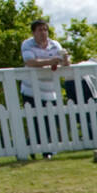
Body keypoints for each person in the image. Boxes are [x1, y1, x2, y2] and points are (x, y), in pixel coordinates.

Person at [20, 19, 68, 159]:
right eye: (40, 30)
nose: (43, 33)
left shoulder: (55, 45)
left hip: (50, 90)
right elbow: (30, 61)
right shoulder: (27, 44)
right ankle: (33, 149)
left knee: (49, 121)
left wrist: (65, 60)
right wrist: (50, 61)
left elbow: (63, 60)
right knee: (35, 121)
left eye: (45, 29)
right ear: (34, 32)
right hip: (31, 89)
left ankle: (46, 151)